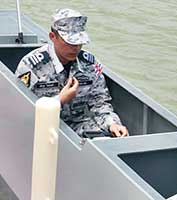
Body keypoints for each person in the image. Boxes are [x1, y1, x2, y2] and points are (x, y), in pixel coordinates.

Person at [16, 9, 129, 138]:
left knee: (111, 136)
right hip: (41, 126)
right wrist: (59, 100)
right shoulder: (31, 66)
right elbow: (20, 109)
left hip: (78, 126)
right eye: (70, 42)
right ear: (53, 37)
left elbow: (99, 102)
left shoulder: (89, 65)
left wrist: (112, 124)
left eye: (79, 42)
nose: (76, 48)